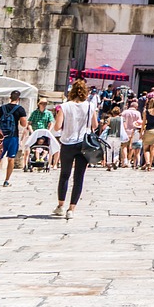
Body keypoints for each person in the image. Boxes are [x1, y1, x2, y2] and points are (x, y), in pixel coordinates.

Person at [53, 80, 97, 219]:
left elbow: (57, 127)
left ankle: (60, 205)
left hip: (67, 143)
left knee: (64, 175)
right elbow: (95, 125)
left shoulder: (64, 107)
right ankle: (71, 209)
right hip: (84, 144)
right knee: (79, 177)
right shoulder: (90, 106)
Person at [0, 90, 29, 189]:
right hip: (13, 137)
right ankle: (6, 181)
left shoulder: (1, 108)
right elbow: (24, 124)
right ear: (18, 98)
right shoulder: (20, 109)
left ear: (10, 97)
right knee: (11, 159)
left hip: (1, 137)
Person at [26, 96, 60, 172]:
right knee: (28, 146)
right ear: (39, 104)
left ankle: (53, 164)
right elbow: (29, 123)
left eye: (45, 104)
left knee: (53, 146)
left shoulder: (48, 113)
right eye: (42, 103)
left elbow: (51, 122)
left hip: (44, 133)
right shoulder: (34, 113)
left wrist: (48, 130)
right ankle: (27, 163)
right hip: (35, 132)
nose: (44, 105)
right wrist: (32, 131)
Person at [120, 97, 143, 170]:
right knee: (132, 147)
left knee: (124, 146)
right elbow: (139, 123)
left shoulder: (124, 112)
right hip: (134, 131)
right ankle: (130, 160)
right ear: (136, 107)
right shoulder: (137, 113)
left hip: (125, 131)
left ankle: (125, 160)